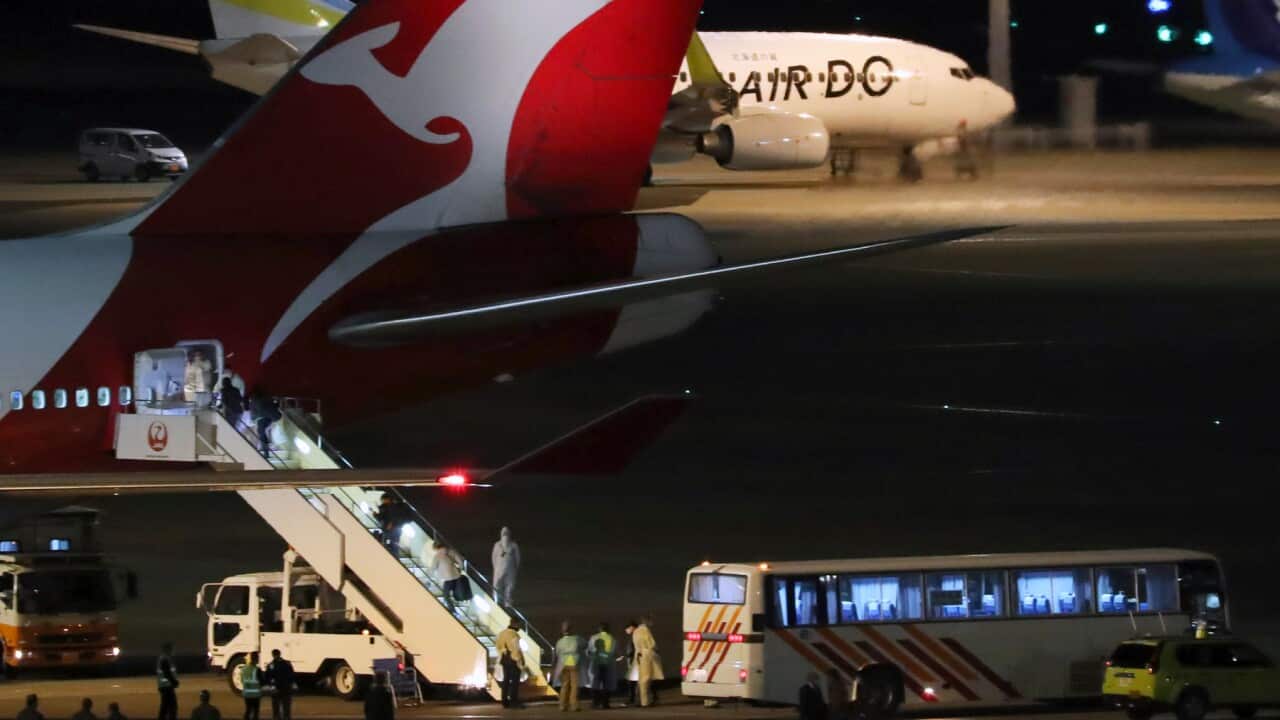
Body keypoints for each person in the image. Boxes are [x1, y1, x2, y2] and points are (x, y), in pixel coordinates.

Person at [553, 621, 584, 712]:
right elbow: (584, 646)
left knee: (564, 685)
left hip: (563, 664)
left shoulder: (560, 641)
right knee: (574, 685)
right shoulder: (577, 639)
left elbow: (557, 653)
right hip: (574, 663)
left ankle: (562, 705)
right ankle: (574, 705)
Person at [632, 616, 662, 708]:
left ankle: (639, 700)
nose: (652, 623)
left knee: (641, 679)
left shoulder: (636, 631)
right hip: (647, 655)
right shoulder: (645, 630)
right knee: (646, 679)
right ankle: (645, 702)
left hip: (638, 655)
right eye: (651, 621)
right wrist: (657, 650)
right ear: (647, 621)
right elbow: (652, 644)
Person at [496, 618, 525, 709]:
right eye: (519, 625)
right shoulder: (514, 634)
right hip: (513, 660)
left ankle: (504, 701)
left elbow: (498, 646)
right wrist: (520, 662)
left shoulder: (502, 633)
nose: (520, 627)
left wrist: (503, 652)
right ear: (515, 624)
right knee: (515, 682)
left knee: (506, 680)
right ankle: (514, 701)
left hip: (504, 659)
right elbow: (516, 649)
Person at [588, 622, 616, 709]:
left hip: (596, 664)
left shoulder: (594, 637)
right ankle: (605, 703)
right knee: (607, 684)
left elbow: (589, 650)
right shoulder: (612, 638)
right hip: (608, 663)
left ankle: (595, 702)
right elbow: (613, 651)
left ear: (599, 629)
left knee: (595, 683)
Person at [490, 526, 520, 606]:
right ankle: (498, 600)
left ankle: (507, 601)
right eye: (504, 533)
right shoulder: (497, 545)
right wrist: (496, 567)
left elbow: (517, 558)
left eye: (506, 533)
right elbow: (494, 557)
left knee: (509, 585)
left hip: (508, 569)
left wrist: (515, 568)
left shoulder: (513, 545)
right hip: (500, 569)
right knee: (498, 585)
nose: (505, 536)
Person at [430, 541, 464, 608]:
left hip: (447, 579)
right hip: (456, 576)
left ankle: (451, 609)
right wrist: (460, 569)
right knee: (456, 593)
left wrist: (430, 576)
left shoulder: (437, 556)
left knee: (446, 595)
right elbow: (460, 561)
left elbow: (433, 567)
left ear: (436, 548)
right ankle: (456, 604)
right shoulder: (452, 551)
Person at [265, 649, 296, 720]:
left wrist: (271, 685)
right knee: (286, 709)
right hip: (286, 689)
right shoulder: (287, 663)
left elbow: (267, 677)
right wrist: (290, 684)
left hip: (275, 689)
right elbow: (292, 675)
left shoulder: (270, 665)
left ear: (272, 655)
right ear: (280, 654)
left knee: (276, 709)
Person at [157, 642, 180, 720]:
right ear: (168, 650)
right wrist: (174, 682)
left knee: (165, 707)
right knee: (171, 707)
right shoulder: (165, 659)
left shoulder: (164, 658)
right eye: (172, 649)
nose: (173, 651)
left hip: (165, 687)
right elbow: (167, 673)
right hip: (167, 687)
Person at [619, 622, 639, 707]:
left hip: (634, 663)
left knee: (631, 683)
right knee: (633, 683)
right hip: (633, 662)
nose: (626, 631)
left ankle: (632, 700)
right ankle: (633, 699)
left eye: (627, 629)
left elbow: (632, 651)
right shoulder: (635, 636)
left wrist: (625, 656)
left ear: (631, 627)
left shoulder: (635, 636)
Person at [240, 653, 263, 720]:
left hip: (246, 694)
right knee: (255, 712)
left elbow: (242, 680)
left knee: (248, 710)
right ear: (256, 659)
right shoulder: (257, 669)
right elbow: (261, 681)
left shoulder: (244, 669)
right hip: (255, 694)